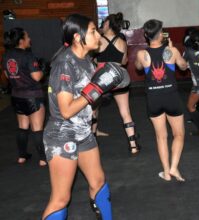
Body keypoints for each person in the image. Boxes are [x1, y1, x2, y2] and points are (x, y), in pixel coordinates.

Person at [42, 14, 129, 219]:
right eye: (92, 31)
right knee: (61, 198)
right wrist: (96, 88)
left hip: (83, 132)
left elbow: (88, 99)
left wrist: (103, 92)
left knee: (98, 182)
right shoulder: (65, 64)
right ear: (76, 37)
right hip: (62, 136)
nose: (97, 34)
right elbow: (66, 110)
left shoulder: (87, 61)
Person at [135, 19, 187, 182]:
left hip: (153, 98)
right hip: (171, 97)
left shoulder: (142, 54)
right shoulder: (172, 51)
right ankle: (174, 167)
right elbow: (184, 67)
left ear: (146, 35)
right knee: (178, 134)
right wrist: (171, 48)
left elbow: (137, 68)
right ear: (161, 34)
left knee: (161, 137)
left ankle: (165, 171)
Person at [95, 12, 141, 156]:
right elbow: (124, 62)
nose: (102, 25)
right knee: (125, 112)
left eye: (104, 22)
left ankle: (92, 141)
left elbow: (94, 60)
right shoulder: (122, 41)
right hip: (119, 77)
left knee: (93, 110)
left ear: (108, 24)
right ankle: (133, 145)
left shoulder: (98, 40)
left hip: (102, 79)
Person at [2, 27, 47, 166]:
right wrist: (43, 69)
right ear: (21, 41)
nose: (29, 39)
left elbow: (7, 75)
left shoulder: (6, 55)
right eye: (27, 37)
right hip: (32, 96)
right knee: (37, 128)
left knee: (23, 127)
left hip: (17, 96)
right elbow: (37, 76)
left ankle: (22, 156)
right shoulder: (28, 56)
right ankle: (43, 159)